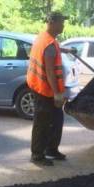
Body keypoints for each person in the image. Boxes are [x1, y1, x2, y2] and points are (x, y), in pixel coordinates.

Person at [27, 11, 75, 166]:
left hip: (39, 86)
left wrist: (66, 50)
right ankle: (37, 155)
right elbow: (49, 72)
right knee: (42, 122)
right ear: (52, 23)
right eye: (61, 22)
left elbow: (53, 49)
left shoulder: (45, 38)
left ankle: (51, 149)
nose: (63, 25)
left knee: (56, 119)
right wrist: (57, 94)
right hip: (44, 90)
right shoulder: (48, 44)